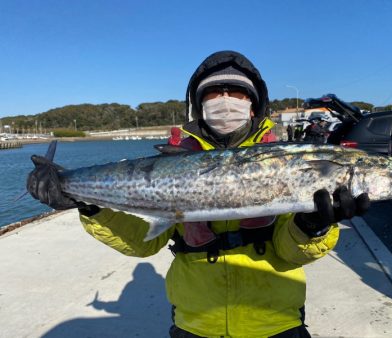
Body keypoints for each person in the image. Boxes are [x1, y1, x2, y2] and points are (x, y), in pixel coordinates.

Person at [27, 50, 370, 338]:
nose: (225, 101)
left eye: (236, 93)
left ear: (253, 105)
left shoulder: (286, 160)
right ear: (198, 105)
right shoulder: (177, 156)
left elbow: (290, 253)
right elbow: (142, 243)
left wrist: (313, 226)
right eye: (213, 93)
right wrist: (89, 207)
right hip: (194, 326)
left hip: (276, 324)